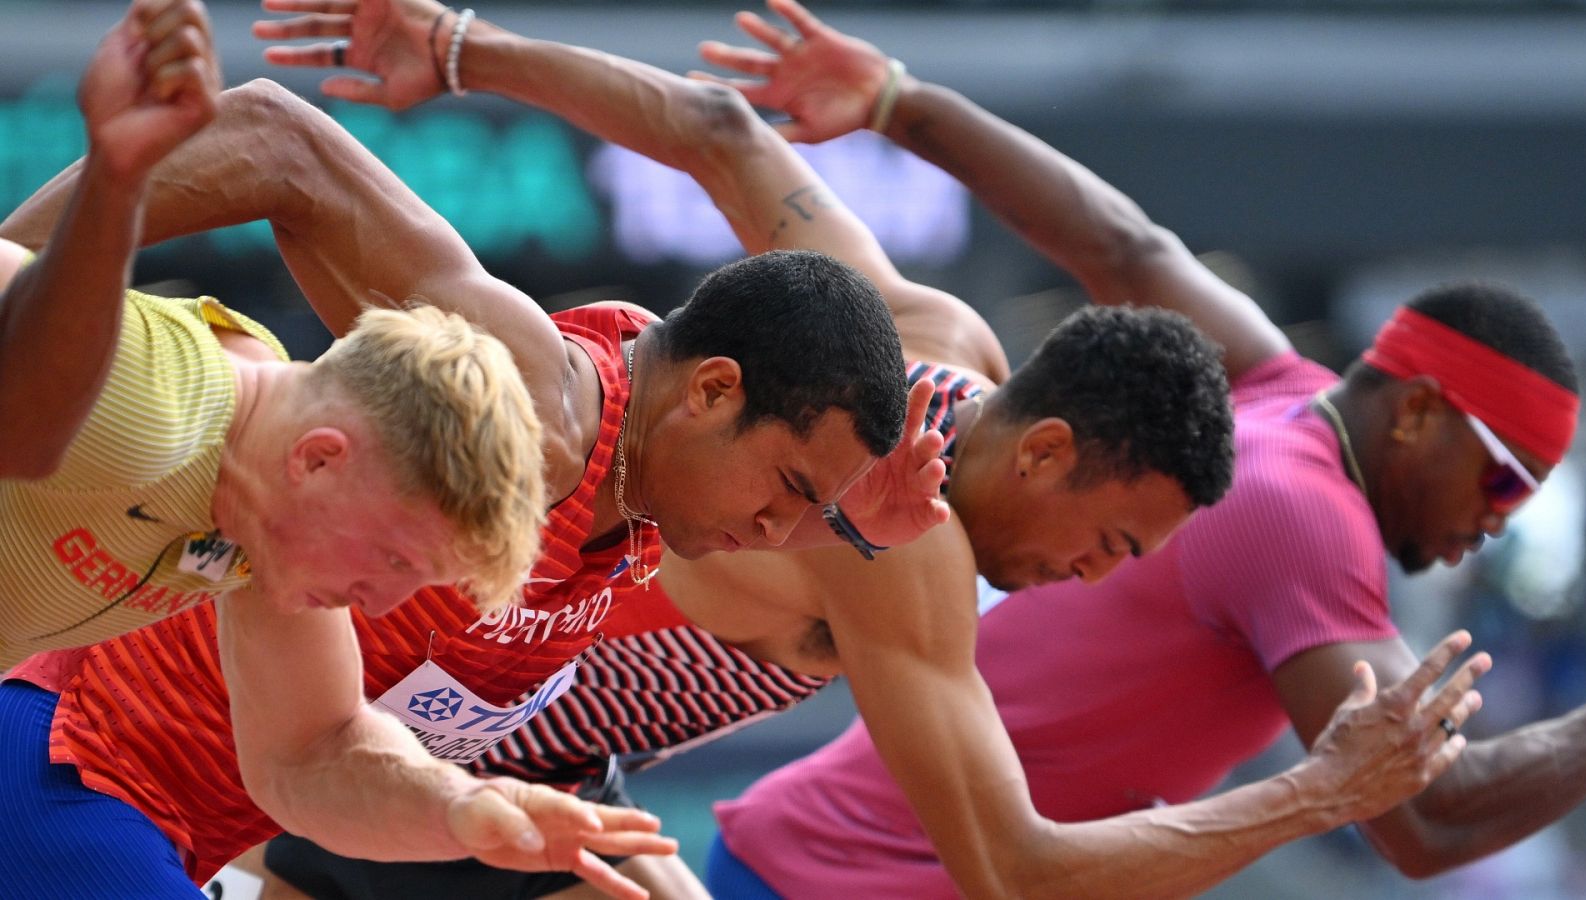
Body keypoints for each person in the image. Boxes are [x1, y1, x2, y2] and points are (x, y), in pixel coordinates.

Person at [192, 3, 1496, 898]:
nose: (1097, 577)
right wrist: (1316, 796)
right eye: (1108, 541)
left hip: (520, 750)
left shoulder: (920, 326)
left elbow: (724, 131)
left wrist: (465, 43)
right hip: (395, 707)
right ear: (1042, 452)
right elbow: (1013, 870)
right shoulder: (904, 532)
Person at [0, 6, 944, 899]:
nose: (778, 525)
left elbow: (317, 751)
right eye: (787, 488)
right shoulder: (538, 392)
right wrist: (29, 285)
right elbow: (275, 138)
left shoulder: (645, 498)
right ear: (710, 392)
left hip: (221, 806)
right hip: (86, 754)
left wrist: (465, 809)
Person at [679, 1, 1586, 896]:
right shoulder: (1306, 519)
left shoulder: (1280, 394)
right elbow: (1426, 820)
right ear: (1420, 412)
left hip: (810, 856)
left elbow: (1120, 240)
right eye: (1500, 479)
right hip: (845, 882)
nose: (1495, 522)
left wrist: (899, 103)